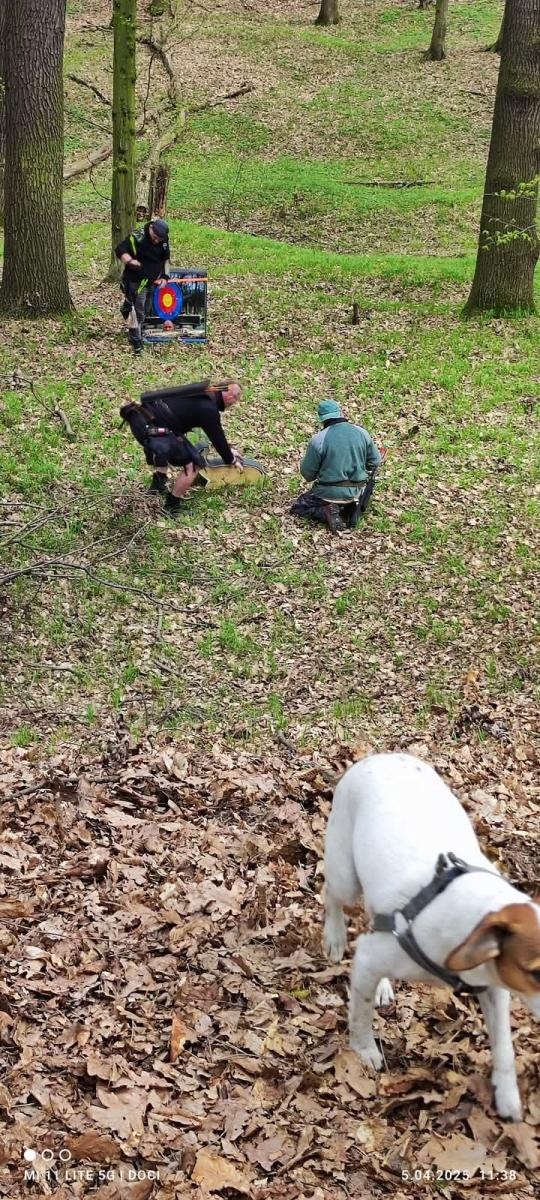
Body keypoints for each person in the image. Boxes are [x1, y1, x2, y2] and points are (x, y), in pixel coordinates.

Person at [120, 380, 243, 517]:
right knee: (194, 465)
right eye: (236, 397)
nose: (234, 402)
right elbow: (217, 437)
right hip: (154, 430)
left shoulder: (199, 391)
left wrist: (228, 450)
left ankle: (157, 488)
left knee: (172, 444)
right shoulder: (208, 408)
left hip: (141, 419)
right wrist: (231, 459)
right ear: (229, 396)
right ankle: (171, 506)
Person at [291, 399, 382, 532]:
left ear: (321, 419)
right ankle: (346, 509)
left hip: (327, 492)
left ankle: (325, 511)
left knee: (299, 507)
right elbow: (375, 462)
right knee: (349, 501)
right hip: (357, 492)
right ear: (340, 412)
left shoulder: (318, 440)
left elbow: (308, 474)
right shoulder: (362, 433)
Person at [115, 218, 170, 354]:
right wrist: (130, 261)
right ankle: (136, 342)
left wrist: (165, 277)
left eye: (160, 239)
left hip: (151, 282)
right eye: (155, 237)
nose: (157, 241)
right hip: (135, 281)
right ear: (151, 228)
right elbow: (120, 249)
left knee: (146, 309)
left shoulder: (163, 240)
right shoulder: (138, 236)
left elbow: (166, 259)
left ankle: (127, 307)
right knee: (138, 312)